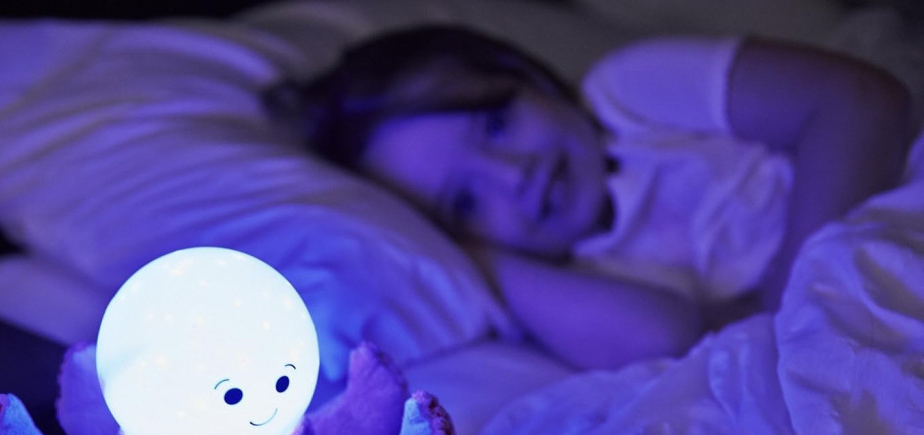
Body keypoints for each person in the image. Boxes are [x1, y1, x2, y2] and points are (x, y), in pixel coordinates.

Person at [265, 26, 912, 370]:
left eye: (496, 124)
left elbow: (859, 100)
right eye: (465, 202)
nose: (514, 175)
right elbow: (667, 337)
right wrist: (483, 261)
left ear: (530, 78)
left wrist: (796, 307)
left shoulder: (629, 96)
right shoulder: (574, 280)